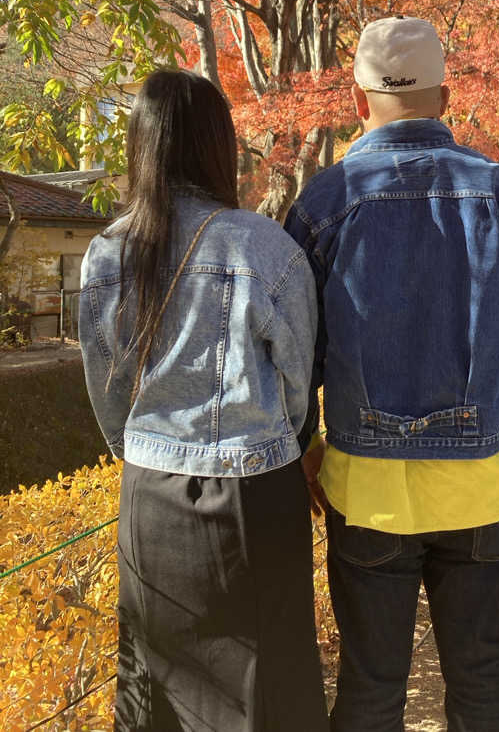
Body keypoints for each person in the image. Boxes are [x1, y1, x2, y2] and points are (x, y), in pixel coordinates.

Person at [285, 16, 499, 732]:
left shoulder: (324, 200)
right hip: (478, 487)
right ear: (446, 97)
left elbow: (293, 349)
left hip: (365, 487)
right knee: (480, 676)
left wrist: (303, 445)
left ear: (358, 101)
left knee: (371, 684)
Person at [79, 70, 328, 732]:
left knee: (156, 689)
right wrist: (295, 443)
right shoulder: (265, 247)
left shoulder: (107, 256)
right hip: (256, 495)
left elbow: (108, 391)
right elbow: (298, 385)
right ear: (218, 145)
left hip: (151, 496)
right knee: (270, 684)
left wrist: (141, 455)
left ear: (142, 145)